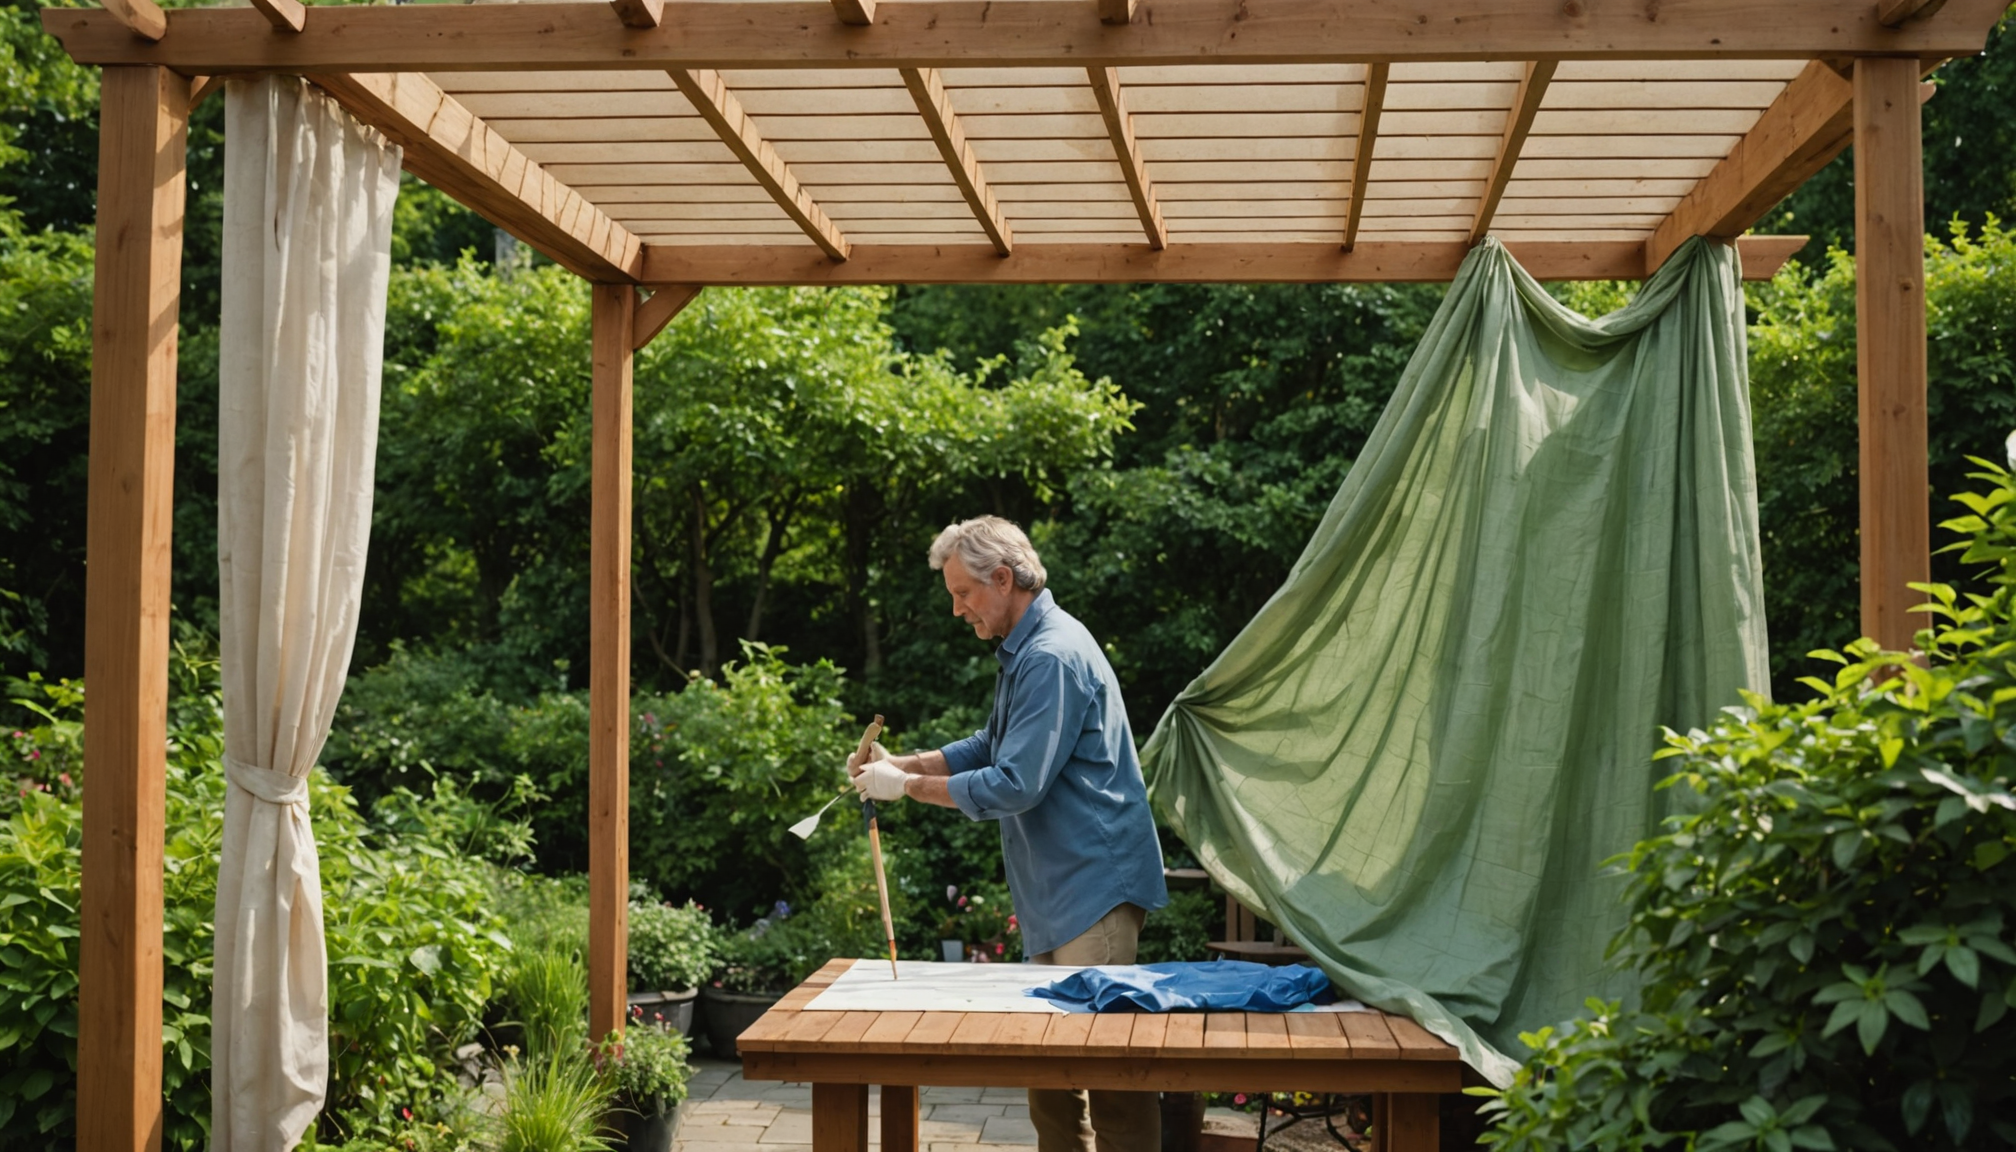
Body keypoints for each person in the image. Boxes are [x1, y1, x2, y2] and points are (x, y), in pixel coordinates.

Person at [849, 515, 1169, 1152]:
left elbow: (1015, 782)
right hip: (1059, 894)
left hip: (1095, 892)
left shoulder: (1051, 654)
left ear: (1003, 578)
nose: (957, 609)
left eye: (963, 592)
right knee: (1048, 1076)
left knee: (1107, 1080)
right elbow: (990, 745)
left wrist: (905, 788)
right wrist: (905, 762)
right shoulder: (1027, 647)